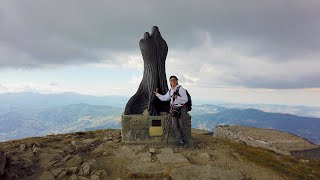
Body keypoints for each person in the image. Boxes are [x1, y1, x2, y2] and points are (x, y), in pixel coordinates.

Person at [153, 75, 188, 146]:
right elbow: (164, 98)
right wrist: (157, 94)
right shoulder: (170, 90)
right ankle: (180, 141)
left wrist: (177, 97)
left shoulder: (181, 89)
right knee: (175, 126)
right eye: (171, 80)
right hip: (174, 110)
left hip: (182, 109)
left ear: (177, 81)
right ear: (170, 82)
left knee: (181, 125)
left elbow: (185, 100)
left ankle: (186, 142)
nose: (173, 81)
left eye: (174, 80)